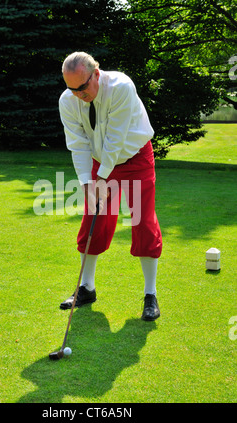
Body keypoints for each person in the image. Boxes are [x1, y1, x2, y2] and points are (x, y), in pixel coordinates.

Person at [58, 51, 162, 321]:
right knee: (95, 217)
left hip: (135, 157)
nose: (79, 95)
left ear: (96, 73)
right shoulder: (68, 100)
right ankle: (86, 288)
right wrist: (87, 183)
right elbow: (78, 144)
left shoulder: (121, 87)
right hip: (99, 161)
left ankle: (150, 294)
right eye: (72, 89)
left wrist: (101, 179)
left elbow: (115, 141)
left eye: (83, 87)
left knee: (142, 221)